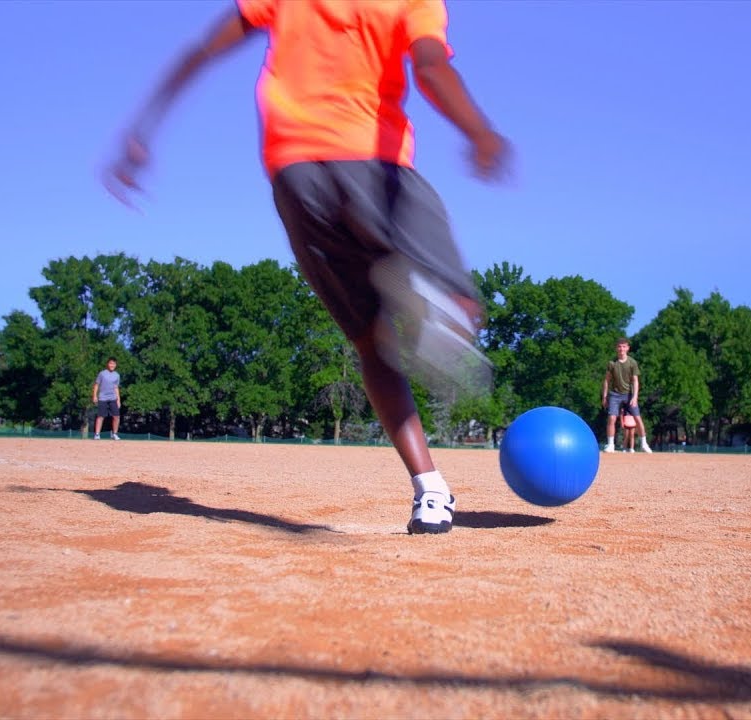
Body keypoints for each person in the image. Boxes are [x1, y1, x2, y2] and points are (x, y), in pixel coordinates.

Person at [103, 0, 510, 534]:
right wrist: (479, 130)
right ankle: (429, 293)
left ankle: (430, 488)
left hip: (294, 174)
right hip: (371, 163)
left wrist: (144, 129)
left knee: (371, 343)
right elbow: (431, 66)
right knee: (461, 300)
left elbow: (203, 49)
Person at [601, 338, 652, 453]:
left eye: (624, 346)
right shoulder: (612, 363)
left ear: (628, 348)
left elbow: (635, 381)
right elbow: (606, 381)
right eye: (619, 346)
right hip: (615, 394)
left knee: (638, 418)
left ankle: (644, 443)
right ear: (616, 348)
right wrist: (604, 396)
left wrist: (635, 397)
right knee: (612, 418)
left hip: (629, 394)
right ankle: (610, 445)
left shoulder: (632, 362)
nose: (621, 349)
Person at [93, 357, 122, 441]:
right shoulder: (102, 374)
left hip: (113, 398)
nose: (112, 365)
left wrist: (118, 399)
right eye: (110, 363)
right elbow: (96, 385)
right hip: (102, 398)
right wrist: (95, 396)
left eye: (113, 364)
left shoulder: (117, 375)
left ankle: (115, 434)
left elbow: (116, 387)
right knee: (101, 416)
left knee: (116, 416)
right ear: (107, 364)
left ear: (115, 365)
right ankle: (97, 434)